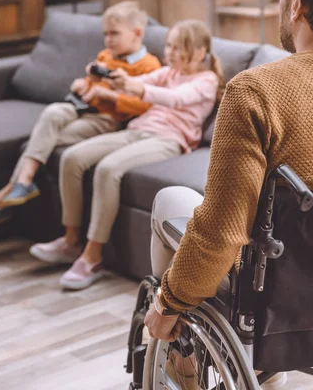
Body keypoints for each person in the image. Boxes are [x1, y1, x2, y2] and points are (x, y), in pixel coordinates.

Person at [144, 0, 313, 390]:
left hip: (275, 298)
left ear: (296, 4)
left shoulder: (255, 91)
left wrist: (168, 302)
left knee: (170, 199)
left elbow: (220, 232)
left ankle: (181, 358)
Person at [29, 19, 225, 291]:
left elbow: (176, 98)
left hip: (168, 139)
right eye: (168, 45)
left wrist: (138, 89)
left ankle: (93, 256)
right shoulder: (167, 71)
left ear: (200, 52)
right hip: (138, 130)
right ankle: (71, 240)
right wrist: (112, 77)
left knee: (108, 170)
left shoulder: (206, 80)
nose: (169, 52)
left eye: (178, 47)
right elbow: (138, 81)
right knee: (72, 157)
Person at [0, 1, 161, 229]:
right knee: (53, 112)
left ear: (137, 33)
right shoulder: (105, 56)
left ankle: (4, 197)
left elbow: (145, 105)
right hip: (81, 108)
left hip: (107, 120)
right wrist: (83, 84)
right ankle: (22, 183)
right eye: (105, 34)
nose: (108, 40)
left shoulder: (149, 66)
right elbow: (88, 84)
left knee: (42, 140)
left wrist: (109, 95)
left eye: (114, 34)